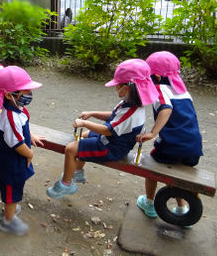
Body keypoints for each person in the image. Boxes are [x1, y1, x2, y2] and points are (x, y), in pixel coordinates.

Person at [46, 59, 159, 199]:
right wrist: (92, 113)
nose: (115, 87)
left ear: (126, 88)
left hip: (112, 147)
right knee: (86, 136)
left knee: (70, 149)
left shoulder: (131, 113)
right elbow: (113, 116)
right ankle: (78, 172)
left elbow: (107, 130)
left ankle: (66, 185)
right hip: (113, 139)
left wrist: (84, 123)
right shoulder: (130, 103)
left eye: (117, 85)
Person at [135, 51, 203, 220]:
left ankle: (150, 204)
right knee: (176, 173)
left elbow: (166, 109)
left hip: (172, 145)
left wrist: (153, 132)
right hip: (193, 146)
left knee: (151, 166)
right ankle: (182, 209)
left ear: (156, 77)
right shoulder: (183, 92)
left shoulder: (159, 89)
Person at [0, 66, 46, 235]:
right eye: (25, 91)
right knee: (11, 189)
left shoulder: (18, 109)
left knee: (16, 187)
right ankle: (7, 221)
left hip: (17, 158)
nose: (29, 93)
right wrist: (30, 153)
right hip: (11, 161)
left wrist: (30, 136)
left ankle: (11, 208)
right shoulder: (10, 116)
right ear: (10, 95)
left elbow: (22, 128)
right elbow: (15, 143)